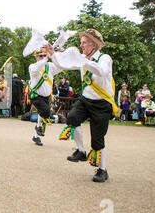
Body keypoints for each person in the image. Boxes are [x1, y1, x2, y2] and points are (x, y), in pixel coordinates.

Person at [47, 28, 117, 183]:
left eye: (84, 43)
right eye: (81, 42)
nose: (82, 45)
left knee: (97, 139)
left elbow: (101, 71)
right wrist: (52, 54)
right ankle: (81, 151)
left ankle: (102, 170)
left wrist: (82, 60)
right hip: (85, 100)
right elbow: (62, 64)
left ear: (93, 45)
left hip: (102, 103)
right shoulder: (82, 59)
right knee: (72, 117)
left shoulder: (105, 58)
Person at [28, 47, 62, 146]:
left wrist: (58, 56)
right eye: (40, 56)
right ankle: (38, 129)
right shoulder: (32, 67)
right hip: (36, 95)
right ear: (36, 57)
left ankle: (36, 136)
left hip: (46, 96)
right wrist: (46, 58)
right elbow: (36, 69)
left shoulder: (50, 66)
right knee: (46, 112)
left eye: (44, 55)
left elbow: (60, 67)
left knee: (41, 114)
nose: (42, 57)